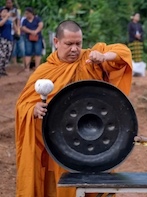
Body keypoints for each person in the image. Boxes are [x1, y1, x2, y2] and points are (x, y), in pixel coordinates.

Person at [15, 20, 133, 197]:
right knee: (59, 186)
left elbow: (123, 53)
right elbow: (23, 105)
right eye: (69, 44)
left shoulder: (91, 60)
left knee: (94, 184)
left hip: (93, 138)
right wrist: (34, 109)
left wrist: (104, 57)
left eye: (78, 43)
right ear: (56, 42)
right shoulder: (45, 71)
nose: (74, 49)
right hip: (59, 144)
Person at [21, 7, 44, 71]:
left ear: (31, 13)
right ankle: (27, 67)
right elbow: (23, 28)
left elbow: (41, 25)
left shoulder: (37, 19)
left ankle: (37, 67)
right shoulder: (25, 20)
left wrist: (36, 31)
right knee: (28, 52)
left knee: (38, 52)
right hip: (28, 38)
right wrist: (31, 32)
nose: (26, 15)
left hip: (37, 37)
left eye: (27, 13)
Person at [0, 7, 16, 76]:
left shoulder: (9, 21)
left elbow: (15, 29)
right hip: (2, 39)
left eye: (6, 12)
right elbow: (1, 24)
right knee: (2, 55)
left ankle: (3, 69)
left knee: (8, 55)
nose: (6, 13)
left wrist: (14, 21)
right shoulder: (1, 20)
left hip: (10, 39)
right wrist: (6, 17)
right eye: (4, 12)